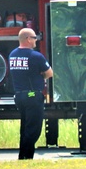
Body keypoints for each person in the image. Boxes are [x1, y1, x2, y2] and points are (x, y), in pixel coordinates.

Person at [7, 28, 54, 160]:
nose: (36, 40)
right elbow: (49, 73)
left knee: (25, 128)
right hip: (33, 96)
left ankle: (23, 156)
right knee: (33, 129)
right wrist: (39, 76)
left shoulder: (13, 55)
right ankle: (27, 157)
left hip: (19, 96)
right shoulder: (36, 56)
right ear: (28, 39)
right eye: (34, 38)